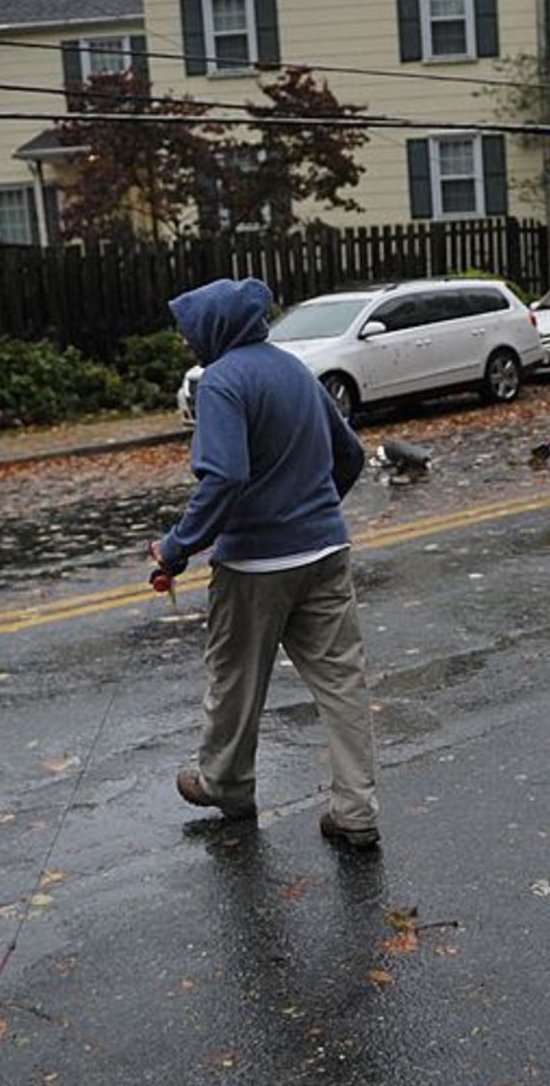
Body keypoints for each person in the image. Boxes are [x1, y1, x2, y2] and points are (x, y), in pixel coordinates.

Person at [149, 278, 379, 850]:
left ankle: (226, 785)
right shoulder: (295, 370)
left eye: (190, 332)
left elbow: (224, 475)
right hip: (326, 551)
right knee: (342, 684)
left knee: (235, 678)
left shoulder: (222, 382)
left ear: (214, 328)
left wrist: (177, 547)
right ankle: (355, 811)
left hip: (255, 565)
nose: (188, 343)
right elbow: (349, 453)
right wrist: (314, 511)